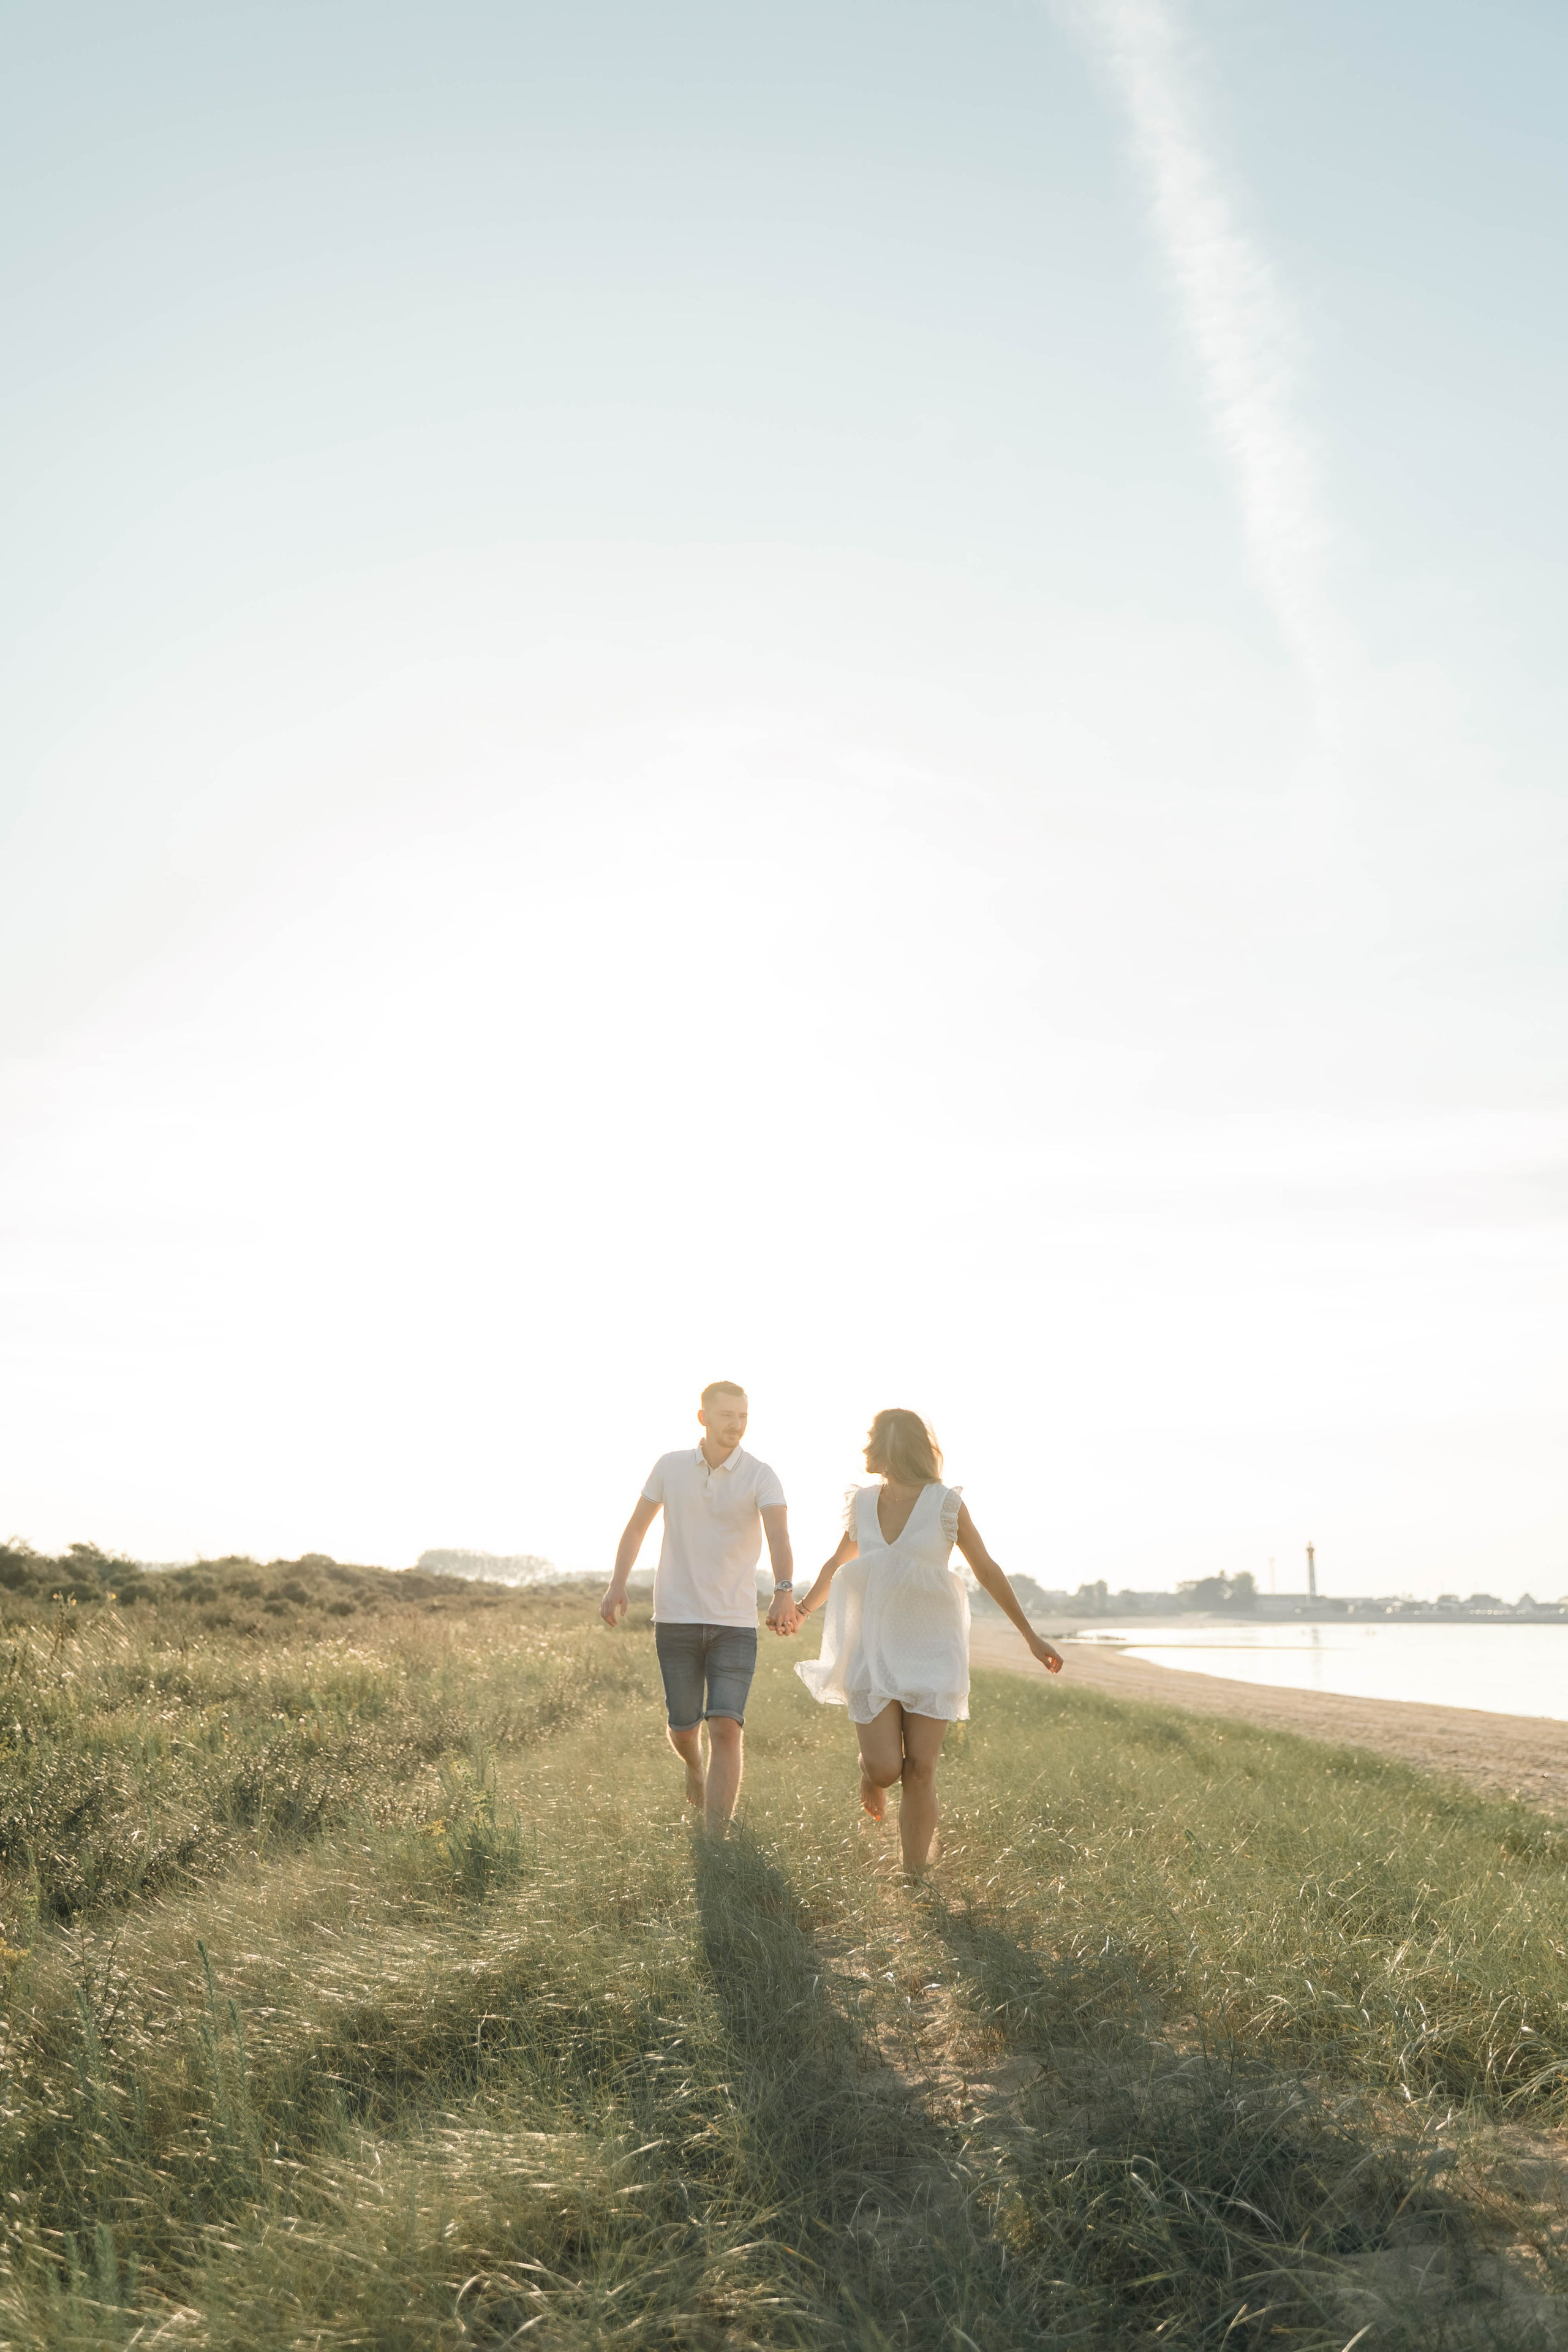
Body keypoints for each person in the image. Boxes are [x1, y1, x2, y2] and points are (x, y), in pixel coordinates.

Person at [794, 1407, 1062, 1872]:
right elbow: (837, 1564)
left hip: (932, 1651)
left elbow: (986, 1568)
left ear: (892, 1446)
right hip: (872, 1653)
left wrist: (1030, 1635)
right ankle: (869, 1774)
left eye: (872, 1439)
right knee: (886, 1768)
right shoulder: (862, 1504)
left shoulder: (944, 1504)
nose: (865, 1449)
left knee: (921, 1770)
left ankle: (913, 1876)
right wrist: (800, 1611)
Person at [601, 1381, 797, 1834]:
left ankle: (715, 1840)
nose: (736, 1425)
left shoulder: (761, 1475)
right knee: (684, 1727)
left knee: (726, 1727)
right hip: (676, 1618)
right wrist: (617, 1584)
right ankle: (693, 1767)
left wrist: (784, 1589)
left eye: (743, 1416)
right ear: (703, 1417)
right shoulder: (670, 1467)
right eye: (727, 1415)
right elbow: (635, 1529)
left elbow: (780, 1537)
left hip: (734, 1624)